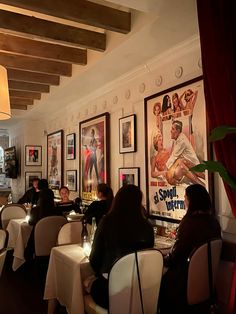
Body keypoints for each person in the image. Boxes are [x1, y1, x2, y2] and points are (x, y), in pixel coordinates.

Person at [89, 184, 154, 309]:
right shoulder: (147, 227)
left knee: (87, 283)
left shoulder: (107, 222)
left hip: (112, 291)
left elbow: (94, 260)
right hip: (139, 291)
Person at [159, 184, 221, 314]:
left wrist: (162, 259)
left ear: (192, 201)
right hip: (207, 281)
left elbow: (176, 255)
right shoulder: (214, 222)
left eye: (185, 197)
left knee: (160, 279)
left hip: (184, 282)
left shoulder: (189, 223)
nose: (184, 200)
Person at [165, 120, 205, 186]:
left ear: (177, 131)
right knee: (180, 163)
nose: (170, 131)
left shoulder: (182, 141)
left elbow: (173, 157)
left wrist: (167, 171)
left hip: (193, 166)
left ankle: (202, 185)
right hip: (187, 165)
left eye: (172, 129)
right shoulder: (177, 139)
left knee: (180, 165)